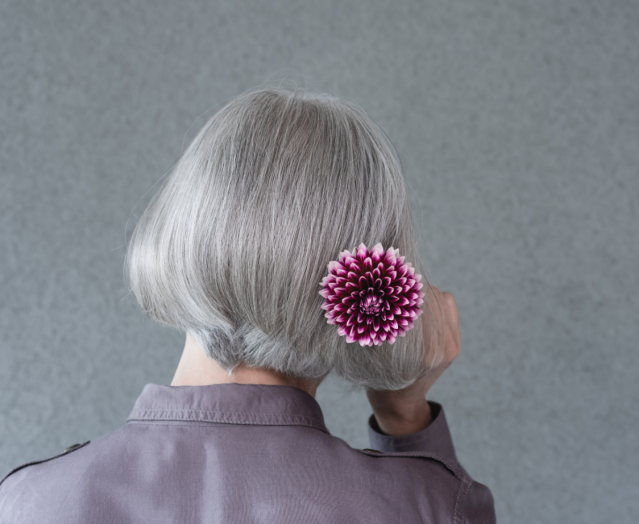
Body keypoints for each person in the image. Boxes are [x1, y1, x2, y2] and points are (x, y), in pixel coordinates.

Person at [0, 87, 496, 523]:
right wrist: (406, 421)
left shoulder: (30, 502)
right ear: (382, 289)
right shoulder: (424, 504)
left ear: (182, 232)